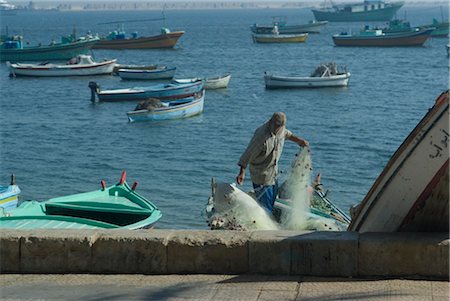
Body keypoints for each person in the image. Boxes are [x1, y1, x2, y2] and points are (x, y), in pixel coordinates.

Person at [236, 112, 308, 213]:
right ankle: (265, 225)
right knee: (265, 207)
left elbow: (287, 134)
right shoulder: (261, 136)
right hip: (261, 175)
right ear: (271, 122)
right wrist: (241, 172)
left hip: (273, 173)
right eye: (277, 126)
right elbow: (248, 153)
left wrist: (299, 141)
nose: (279, 128)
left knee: (272, 200)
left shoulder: (281, 129)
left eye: (281, 126)